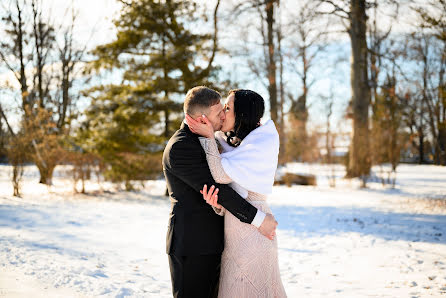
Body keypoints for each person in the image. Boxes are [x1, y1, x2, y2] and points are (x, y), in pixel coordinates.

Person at [162, 86, 278, 298]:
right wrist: (260, 220)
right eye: (219, 112)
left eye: (226, 109)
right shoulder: (182, 146)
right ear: (201, 118)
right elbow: (218, 190)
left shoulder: (222, 141)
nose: (224, 115)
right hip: (193, 246)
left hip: (221, 243)